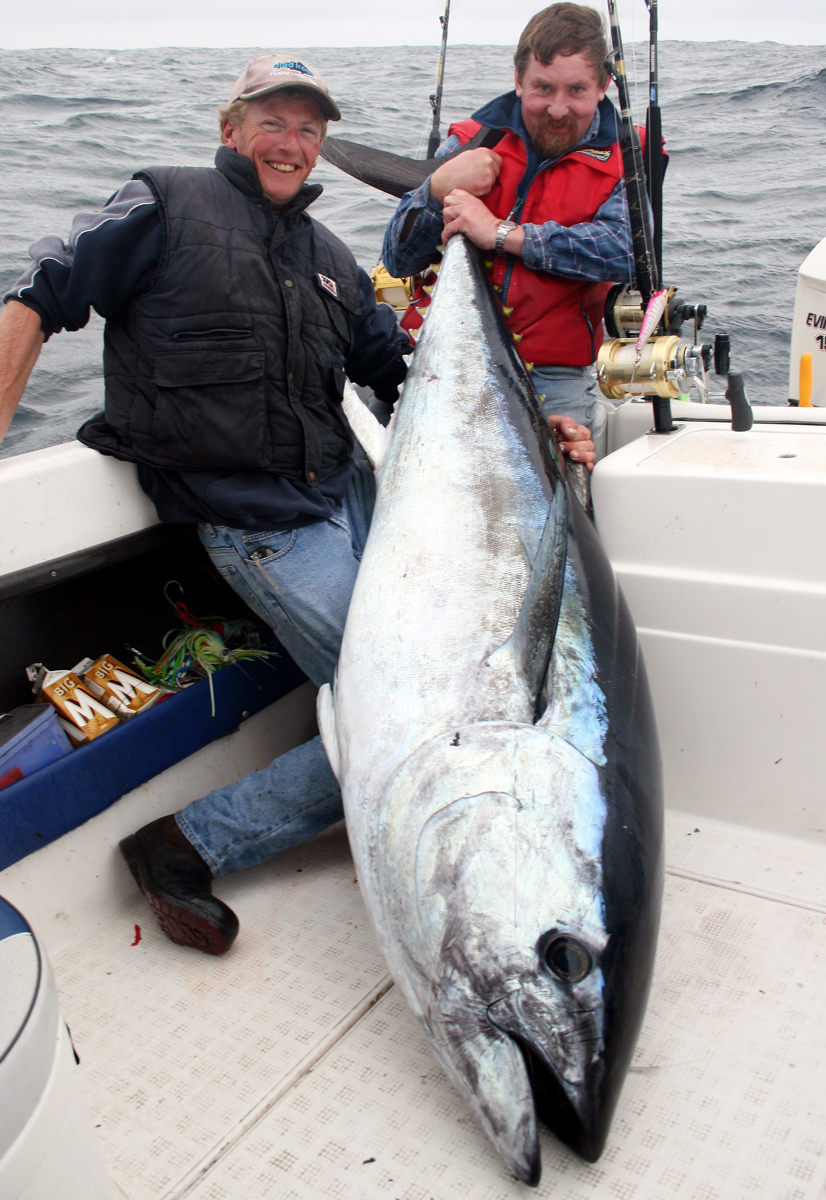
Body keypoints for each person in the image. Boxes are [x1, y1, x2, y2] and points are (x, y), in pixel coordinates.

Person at [0, 53, 594, 955]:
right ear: (229, 127)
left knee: (483, 681)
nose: (292, 144)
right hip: (260, 526)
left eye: (309, 128)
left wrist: (525, 432)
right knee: (417, 722)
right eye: (272, 121)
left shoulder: (329, 258)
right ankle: (184, 843)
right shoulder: (164, 203)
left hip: (362, 499)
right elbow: (42, 287)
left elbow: (399, 378)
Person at [383, 2, 644, 445]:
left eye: (577, 90)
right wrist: (434, 189)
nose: (558, 109)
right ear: (518, 81)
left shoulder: (625, 161)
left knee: (549, 508)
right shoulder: (471, 142)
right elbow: (398, 257)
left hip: (549, 377)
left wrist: (503, 235)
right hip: (441, 361)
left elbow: (626, 250)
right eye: (543, 87)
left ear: (602, 87)